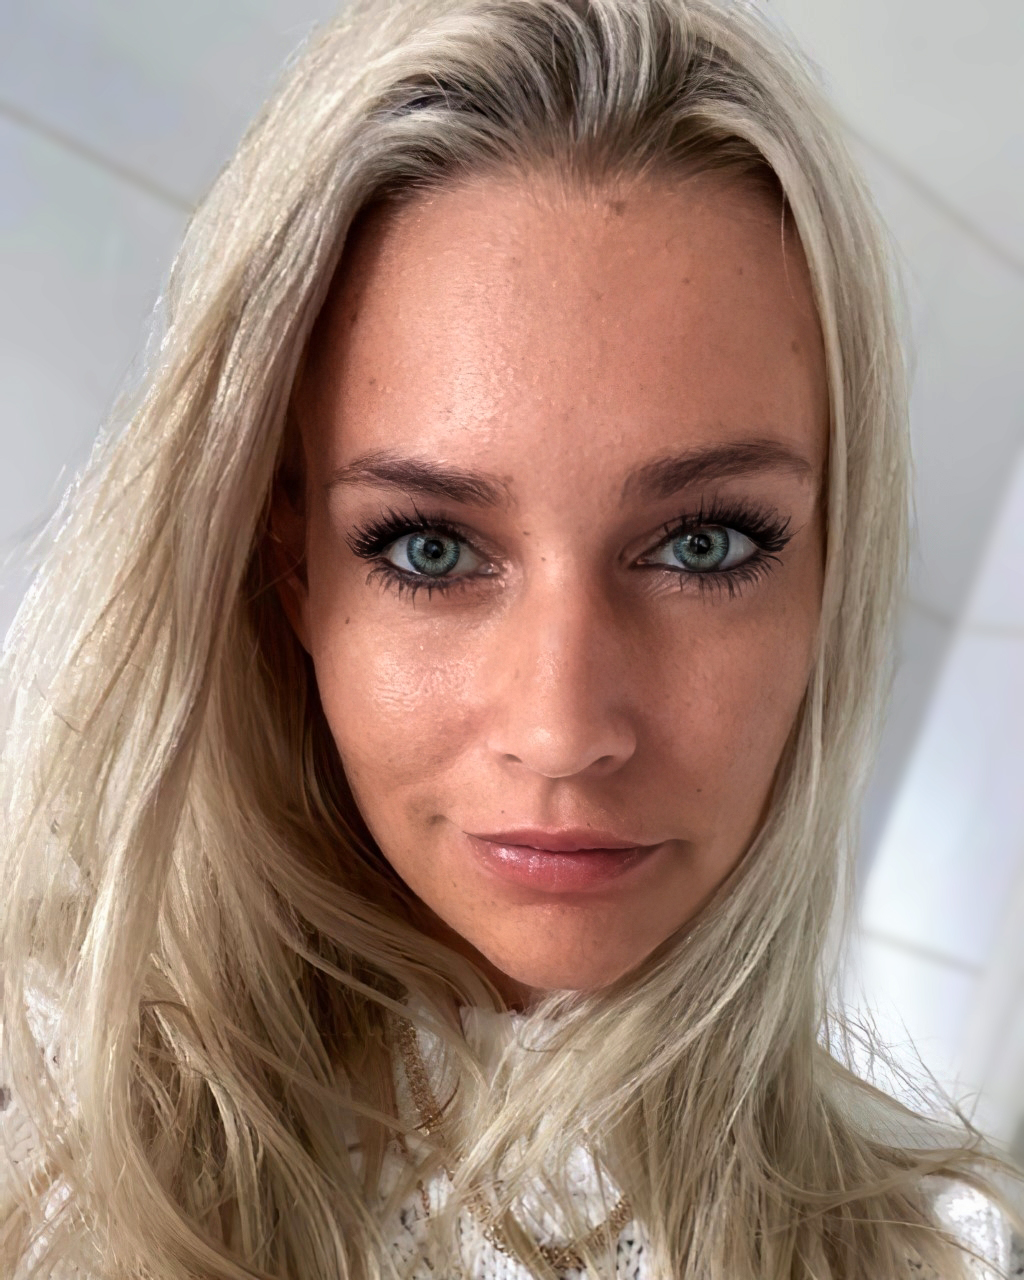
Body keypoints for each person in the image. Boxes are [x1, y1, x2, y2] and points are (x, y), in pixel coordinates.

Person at [0, 0, 1020, 1276]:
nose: (562, 727)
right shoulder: (40, 1141)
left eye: (705, 544)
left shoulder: (939, 1256)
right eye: (429, 546)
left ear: (831, 575)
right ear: (287, 562)